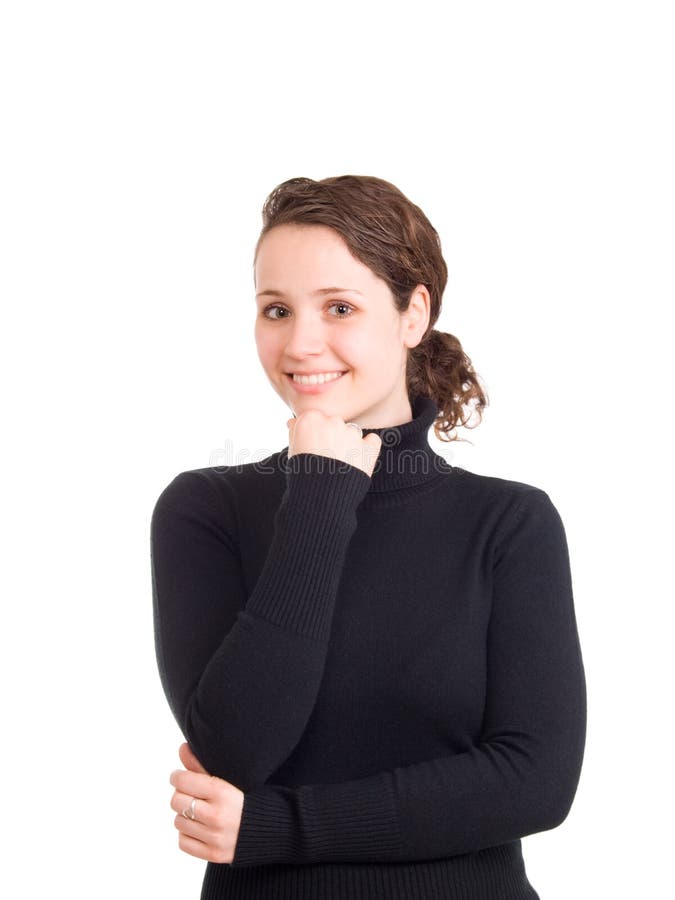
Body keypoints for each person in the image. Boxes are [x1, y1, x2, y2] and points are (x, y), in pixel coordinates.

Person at [150, 174, 587, 900]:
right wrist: (320, 494)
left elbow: (533, 781)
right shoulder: (206, 509)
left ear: (412, 312)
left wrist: (275, 826)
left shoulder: (508, 523)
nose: (300, 342)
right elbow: (235, 748)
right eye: (275, 309)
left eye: (340, 307)